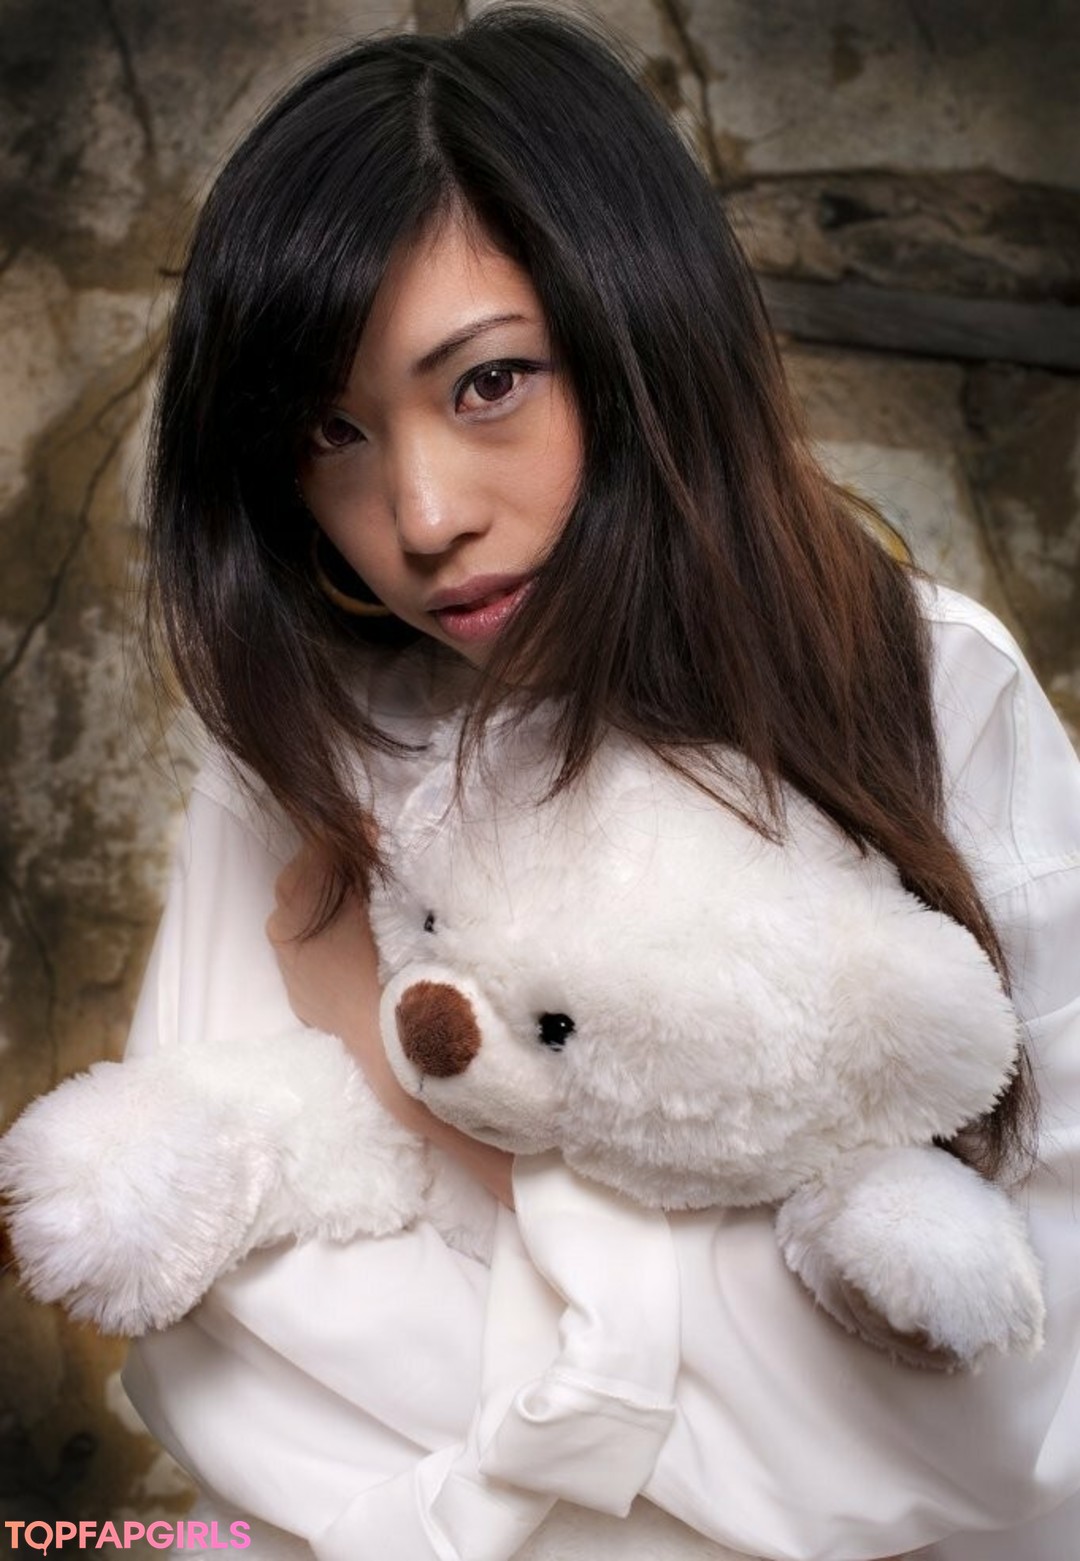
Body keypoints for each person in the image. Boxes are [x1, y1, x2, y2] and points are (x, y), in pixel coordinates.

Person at [120, 6, 1080, 1558]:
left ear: (641, 335)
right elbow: (220, 1359)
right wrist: (731, 1334)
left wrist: (450, 1131)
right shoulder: (295, 760)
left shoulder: (927, 689)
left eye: (487, 382)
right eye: (333, 430)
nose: (421, 512)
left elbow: (1019, 1413)